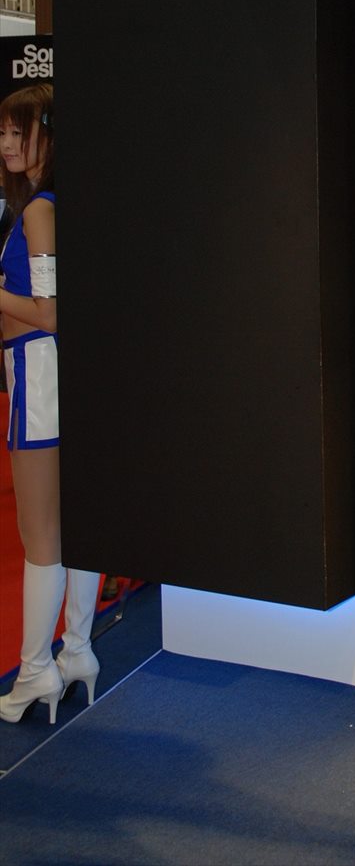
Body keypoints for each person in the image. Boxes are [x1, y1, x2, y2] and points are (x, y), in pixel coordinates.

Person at [0, 83, 101, 725]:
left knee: (41, 536)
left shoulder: (40, 209)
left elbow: (50, 312)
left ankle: (36, 670)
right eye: (3, 132)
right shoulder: (54, 204)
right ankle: (77, 651)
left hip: (38, 374)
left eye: (19, 131)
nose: (7, 143)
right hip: (53, 375)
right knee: (75, 526)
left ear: (49, 135)